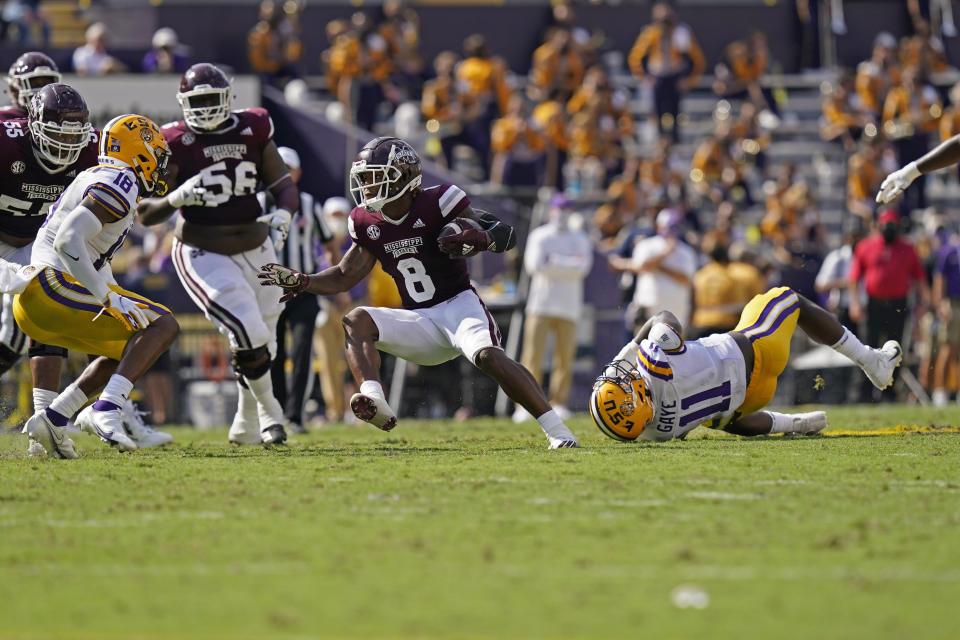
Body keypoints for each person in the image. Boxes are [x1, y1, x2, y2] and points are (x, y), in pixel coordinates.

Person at [259, 136, 578, 449]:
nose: (367, 187)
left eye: (374, 178)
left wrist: (479, 240)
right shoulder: (367, 221)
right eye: (364, 179)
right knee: (355, 320)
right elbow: (344, 275)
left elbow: (504, 235)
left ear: (404, 176)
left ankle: (557, 430)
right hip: (419, 319)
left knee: (488, 357)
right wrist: (303, 281)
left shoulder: (439, 201)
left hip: (458, 306)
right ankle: (375, 400)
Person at [137, 63, 298, 446]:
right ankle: (272, 415)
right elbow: (145, 212)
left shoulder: (254, 127)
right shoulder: (174, 140)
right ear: (183, 103)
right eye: (198, 100)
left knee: (265, 342)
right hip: (202, 250)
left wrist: (284, 214)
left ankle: (245, 424)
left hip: (258, 246)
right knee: (248, 328)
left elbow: (283, 185)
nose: (206, 107)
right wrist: (177, 196)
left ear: (228, 98)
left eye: (213, 99)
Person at [13, 113, 180, 457]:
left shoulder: (99, 176)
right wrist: (107, 298)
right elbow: (69, 242)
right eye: (158, 157)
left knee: (133, 342)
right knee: (163, 324)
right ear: (140, 152)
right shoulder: (121, 180)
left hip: (35, 300)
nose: (161, 167)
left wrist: (114, 297)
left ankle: (55, 418)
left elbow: (89, 256)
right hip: (50, 287)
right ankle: (107, 409)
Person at [589, 287, 903, 443]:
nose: (624, 376)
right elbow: (665, 319)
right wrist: (629, 351)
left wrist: (792, 425)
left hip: (751, 402)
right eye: (622, 385)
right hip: (757, 348)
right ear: (635, 401)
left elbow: (724, 421)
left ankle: (793, 424)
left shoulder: (656, 433)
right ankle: (872, 362)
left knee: (714, 418)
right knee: (789, 298)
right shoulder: (653, 362)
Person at [263, 146, 335, 434]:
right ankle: (277, 414)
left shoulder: (308, 203)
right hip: (270, 290)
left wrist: (330, 279)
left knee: (303, 350)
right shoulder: (261, 203)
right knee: (275, 352)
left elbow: (329, 244)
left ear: (298, 173)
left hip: (304, 288)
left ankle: (295, 416)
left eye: (287, 169)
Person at [515, 193, 592, 422]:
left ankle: (559, 402)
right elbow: (534, 265)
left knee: (564, 358)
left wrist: (554, 261)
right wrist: (568, 263)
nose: (563, 214)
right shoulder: (540, 236)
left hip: (569, 306)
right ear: (551, 211)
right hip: (541, 304)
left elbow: (583, 267)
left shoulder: (580, 238)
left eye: (567, 209)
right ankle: (525, 405)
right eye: (560, 209)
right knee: (532, 356)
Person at [848, 210, 928, 400]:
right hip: (874, 304)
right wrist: (855, 304)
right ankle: (864, 393)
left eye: (893, 226)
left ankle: (890, 392)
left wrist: (922, 304)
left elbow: (919, 279)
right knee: (867, 348)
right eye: (886, 226)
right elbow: (853, 279)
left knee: (895, 350)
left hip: (898, 305)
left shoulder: (908, 248)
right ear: (878, 226)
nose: (889, 230)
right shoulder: (866, 246)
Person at [609, 207, 698, 332]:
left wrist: (659, 268)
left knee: (675, 350)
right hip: (649, 309)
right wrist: (665, 253)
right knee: (644, 348)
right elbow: (642, 266)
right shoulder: (647, 245)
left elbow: (686, 280)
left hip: (677, 312)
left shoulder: (686, 251)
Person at [627, 2, 705, 142]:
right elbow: (635, 57)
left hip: (675, 76)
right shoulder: (650, 33)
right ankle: (660, 140)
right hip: (657, 76)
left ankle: (675, 139)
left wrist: (690, 80)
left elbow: (698, 60)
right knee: (657, 111)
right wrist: (643, 77)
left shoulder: (681, 33)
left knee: (675, 111)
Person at [1, 51, 59, 120]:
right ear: (14, 89)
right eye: (34, 84)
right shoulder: (3, 118)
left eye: (47, 83)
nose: (42, 90)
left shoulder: (61, 116)